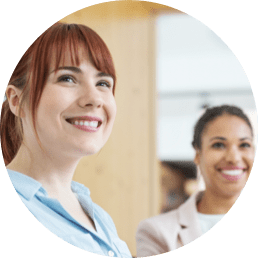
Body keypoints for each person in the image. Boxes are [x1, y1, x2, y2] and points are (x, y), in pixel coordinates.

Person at [0, 22, 131, 257]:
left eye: (103, 83)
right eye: (67, 78)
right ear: (17, 100)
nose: (94, 99)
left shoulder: (99, 218)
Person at [136, 105, 255, 257]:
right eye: (218, 145)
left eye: (244, 145)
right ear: (198, 154)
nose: (234, 158)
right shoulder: (157, 232)